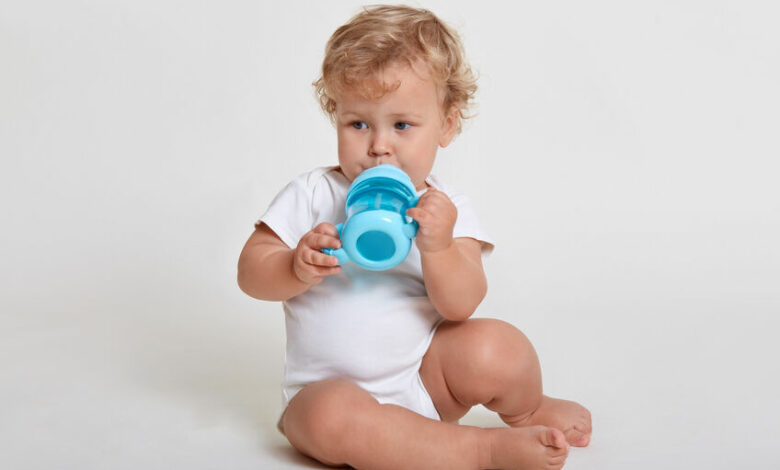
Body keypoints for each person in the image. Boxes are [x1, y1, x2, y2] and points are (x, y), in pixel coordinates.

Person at [238, 5, 591, 469]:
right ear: (335, 116)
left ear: (447, 125)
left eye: (402, 125)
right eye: (358, 124)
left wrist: (438, 248)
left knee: (500, 346)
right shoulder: (313, 193)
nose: (379, 146)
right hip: (329, 395)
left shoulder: (444, 209)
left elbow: (462, 305)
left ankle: (526, 410)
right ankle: (478, 451)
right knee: (327, 417)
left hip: (426, 382)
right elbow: (250, 273)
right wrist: (292, 266)